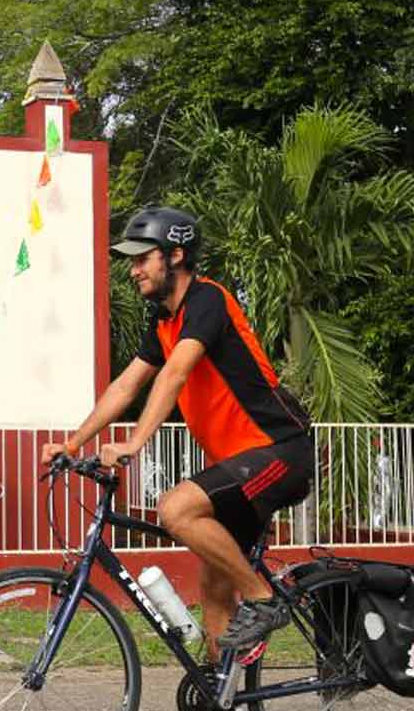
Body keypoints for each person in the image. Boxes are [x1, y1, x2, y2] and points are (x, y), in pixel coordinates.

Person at [40, 205, 312, 671]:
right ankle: (221, 706)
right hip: (240, 465)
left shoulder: (207, 301)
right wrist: (73, 442)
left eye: (143, 258)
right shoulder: (163, 323)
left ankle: (264, 598)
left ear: (176, 256)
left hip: (279, 450)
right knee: (213, 584)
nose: (134, 269)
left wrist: (134, 443)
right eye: (132, 261)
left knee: (175, 508)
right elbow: (127, 385)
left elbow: (175, 374)